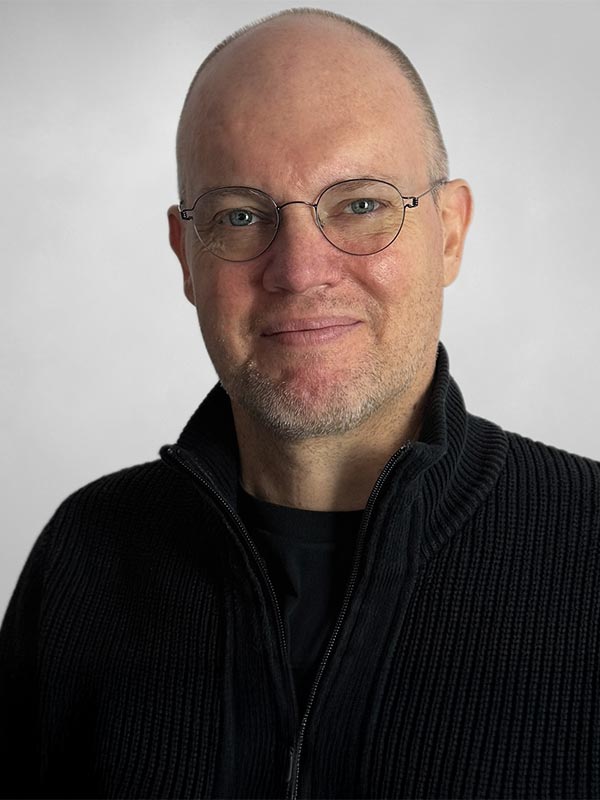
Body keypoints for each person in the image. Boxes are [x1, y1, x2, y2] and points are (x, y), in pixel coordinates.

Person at [1, 6, 599, 799]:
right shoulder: (85, 560)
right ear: (186, 258)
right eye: (241, 216)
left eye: (360, 204)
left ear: (450, 232)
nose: (300, 270)